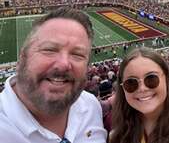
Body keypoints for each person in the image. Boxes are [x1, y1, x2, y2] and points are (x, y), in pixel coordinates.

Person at [0, 7, 107, 143]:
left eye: (77, 54)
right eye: (49, 49)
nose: (63, 64)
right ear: (23, 56)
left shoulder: (91, 106)